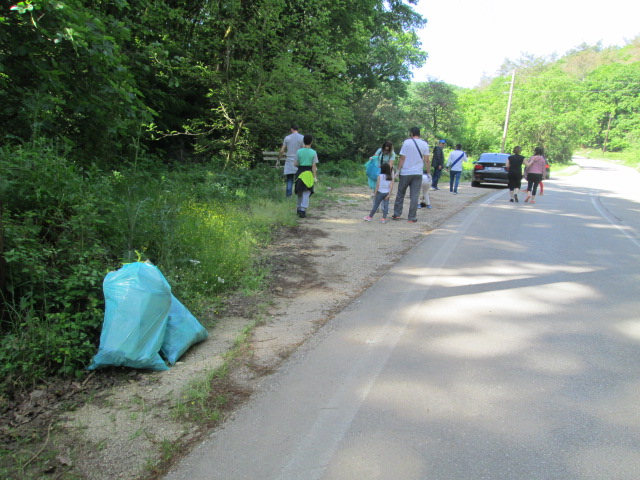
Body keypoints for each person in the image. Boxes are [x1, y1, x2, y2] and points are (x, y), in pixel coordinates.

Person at [392, 127, 430, 223]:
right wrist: (429, 172)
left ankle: (397, 214)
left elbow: (402, 157)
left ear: (411, 133)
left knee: (401, 193)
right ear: (419, 134)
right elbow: (427, 160)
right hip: (418, 173)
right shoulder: (424, 144)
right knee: (414, 195)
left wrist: (398, 170)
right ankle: (412, 217)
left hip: (405, 172)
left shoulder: (407, 142)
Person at [294, 134, 318, 218]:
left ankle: (298, 208)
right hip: (308, 173)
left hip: (300, 173)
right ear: (311, 142)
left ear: (303, 141)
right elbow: (314, 166)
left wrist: (300, 164)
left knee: (299, 191)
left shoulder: (298, 151)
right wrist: (314, 177)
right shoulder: (313, 152)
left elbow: (295, 164)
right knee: (306, 192)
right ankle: (303, 210)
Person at [278, 124, 304, 197]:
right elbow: (304, 149)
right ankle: (299, 194)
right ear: (297, 129)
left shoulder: (287, 138)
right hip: (299, 161)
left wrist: (278, 159)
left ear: (292, 129)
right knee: (299, 178)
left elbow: (282, 150)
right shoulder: (302, 138)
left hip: (289, 160)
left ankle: (288, 196)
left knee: (289, 179)